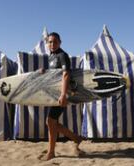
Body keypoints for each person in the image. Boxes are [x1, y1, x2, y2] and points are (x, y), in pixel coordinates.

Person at [39, 32, 83, 161]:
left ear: (60, 42)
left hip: (63, 94)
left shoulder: (63, 55)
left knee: (50, 121)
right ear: (47, 43)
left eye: (55, 42)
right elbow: (55, 74)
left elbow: (66, 75)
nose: (52, 44)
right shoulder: (52, 56)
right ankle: (76, 138)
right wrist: (45, 71)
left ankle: (51, 152)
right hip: (54, 93)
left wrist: (63, 94)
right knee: (52, 122)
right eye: (50, 42)